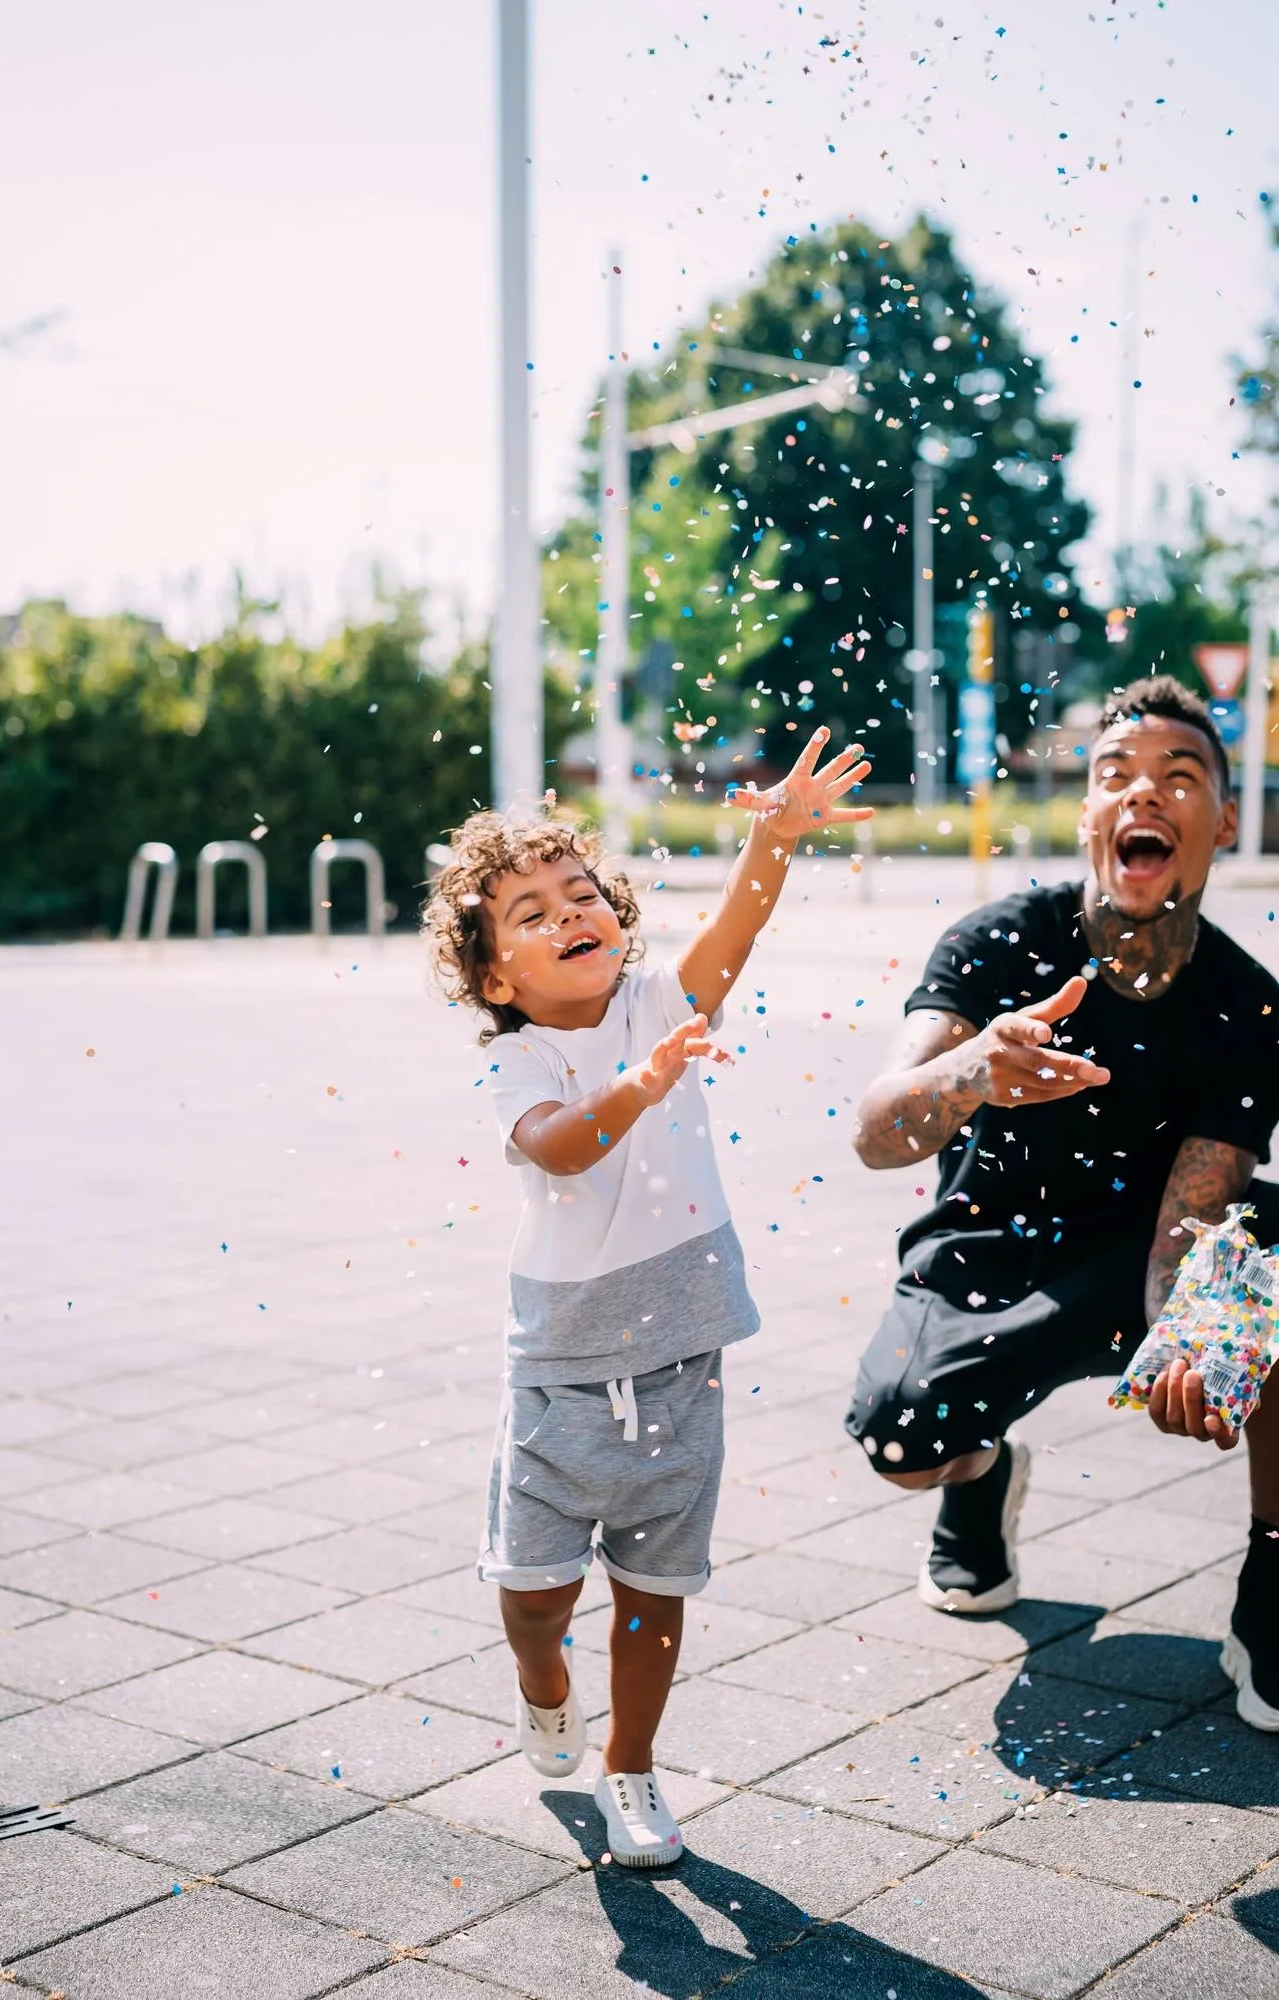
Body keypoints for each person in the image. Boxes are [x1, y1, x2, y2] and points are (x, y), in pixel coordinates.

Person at [424, 729, 872, 1865]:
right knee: (532, 1591)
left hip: (680, 1354)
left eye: (582, 894)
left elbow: (738, 927)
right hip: (560, 1370)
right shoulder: (514, 1060)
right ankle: (541, 1682)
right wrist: (642, 1081)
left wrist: (770, 836)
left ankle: (632, 1765)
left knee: (652, 1588)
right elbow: (561, 1147)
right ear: (493, 976)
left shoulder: (659, 999)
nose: (569, 912)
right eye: (530, 912)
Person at [847, 675, 1279, 1732]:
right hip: (991, 1246)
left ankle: (1272, 1574)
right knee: (900, 1438)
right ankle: (979, 1480)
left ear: (1222, 818)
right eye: (1114, 776)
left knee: (1272, 1242)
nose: (1144, 795)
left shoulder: (1246, 999)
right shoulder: (999, 941)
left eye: (1179, 778)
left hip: (1138, 1250)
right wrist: (973, 1074)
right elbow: (875, 1129)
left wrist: (1188, 1335)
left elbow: (1204, 1194)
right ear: (1087, 812)